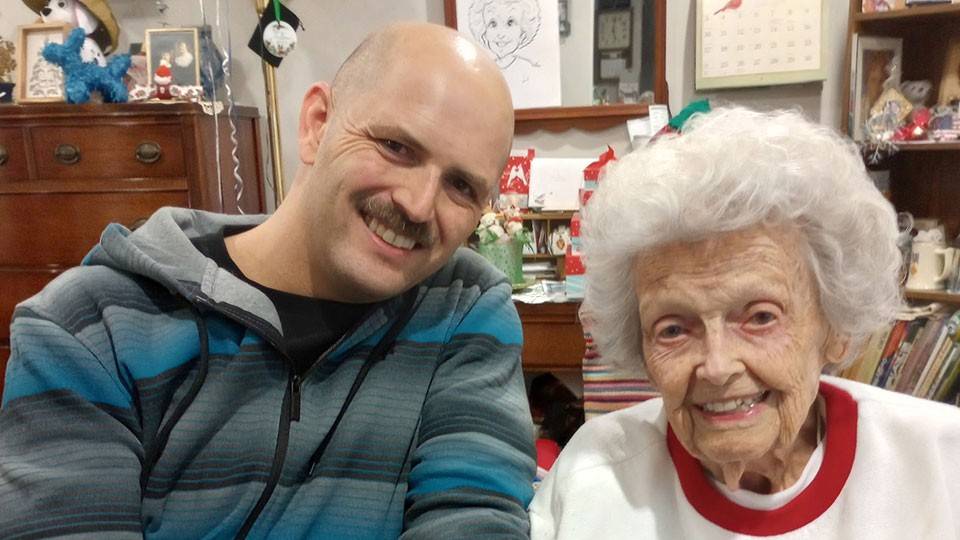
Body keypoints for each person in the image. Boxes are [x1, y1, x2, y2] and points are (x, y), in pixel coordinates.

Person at [0, 22, 536, 538]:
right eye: (397, 147)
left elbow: (474, 518)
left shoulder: (465, 311)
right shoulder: (89, 329)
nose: (418, 205)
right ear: (317, 124)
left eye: (462, 186)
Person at [529, 106, 960, 538]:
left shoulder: (940, 464)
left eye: (760, 317)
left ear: (835, 329)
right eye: (673, 329)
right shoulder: (594, 479)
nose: (717, 367)